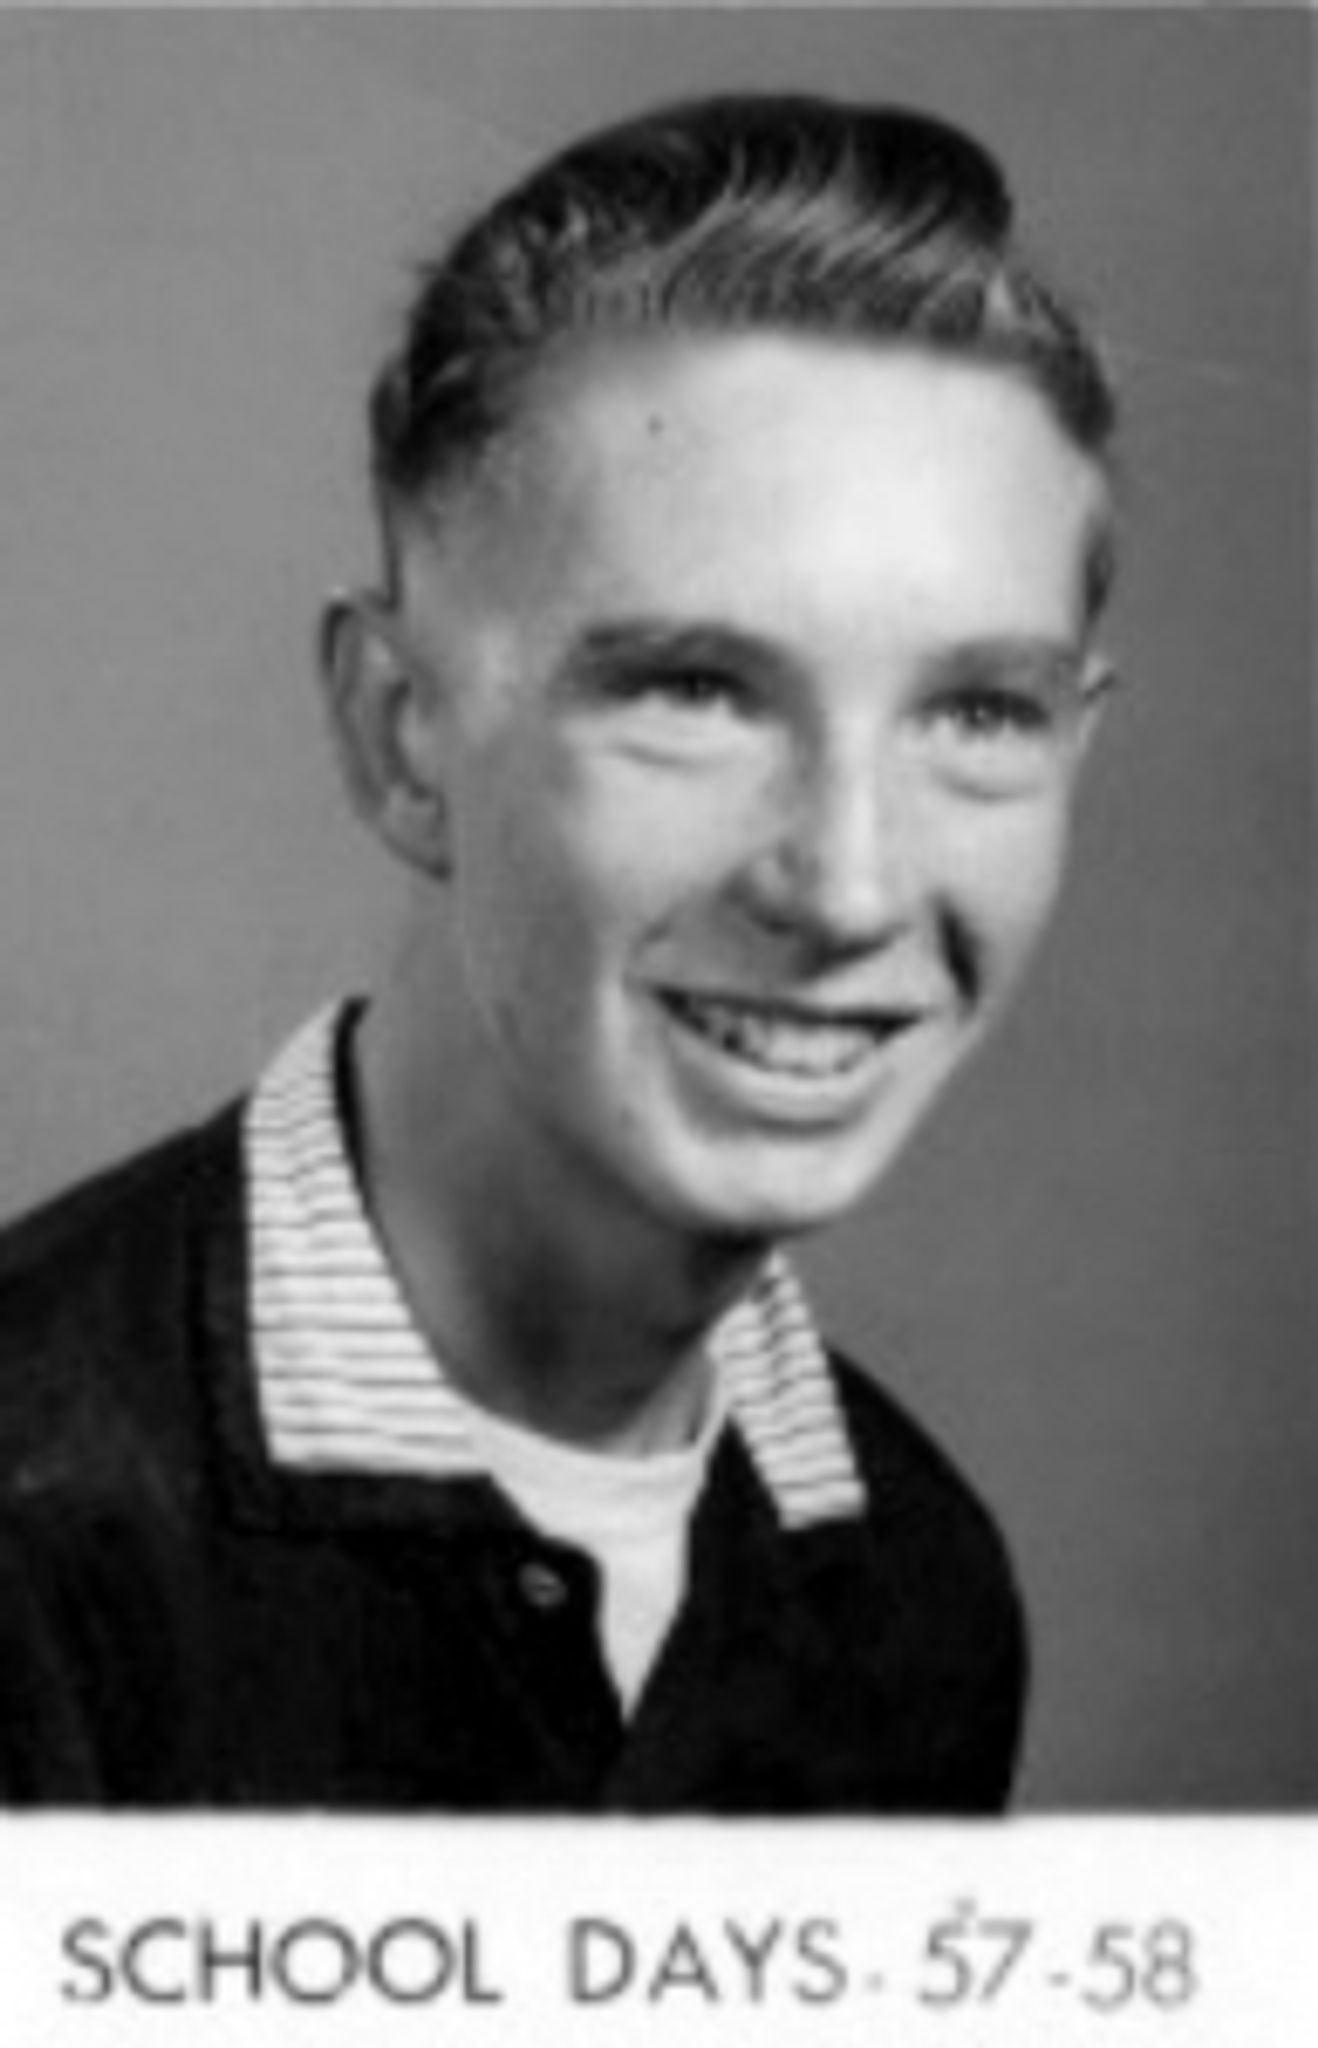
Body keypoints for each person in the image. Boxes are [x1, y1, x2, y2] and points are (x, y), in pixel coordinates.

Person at [0, 93, 1117, 1810]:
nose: (847, 888)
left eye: (977, 713)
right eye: (694, 690)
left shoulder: (914, 1583)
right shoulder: (33, 1520)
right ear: (400, 733)